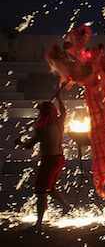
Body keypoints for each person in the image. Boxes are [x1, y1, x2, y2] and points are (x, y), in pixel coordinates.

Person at [15, 84, 70, 232]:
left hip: (49, 161)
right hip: (59, 159)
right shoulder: (59, 123)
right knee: (49, 188)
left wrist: (19, 142)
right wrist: (59, 99)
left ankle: (38, 224)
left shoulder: (42, 128)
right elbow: (64, 111)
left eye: (40, 112)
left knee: (41, 190)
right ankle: (66, 206)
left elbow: (29, 145)